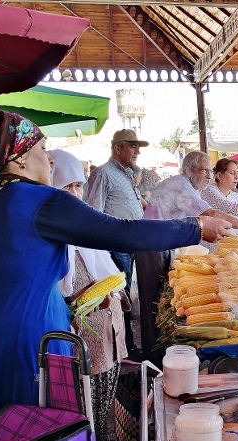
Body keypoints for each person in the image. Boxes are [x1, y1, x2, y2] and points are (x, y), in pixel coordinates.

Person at [0, 110, 231, 430]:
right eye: (41, 148)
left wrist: (68, 306)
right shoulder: (42, 200)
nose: (50, 160)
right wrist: (195, 227)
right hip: (20, 347)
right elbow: (122, 232)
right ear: (19, 158)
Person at [136, 151, 238, 366]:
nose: (209, 175)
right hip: (152, 245)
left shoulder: (185, 185)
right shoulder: (181, 187)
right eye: (205, 170)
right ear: (189, 170)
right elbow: (211, 215)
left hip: (159, 243)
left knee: (157, 302)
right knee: (155, 304)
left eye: (210, 170)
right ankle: (155, 363)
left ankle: (158, 359)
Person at [50, 149, 127, 441]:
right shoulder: (54, 239)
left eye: (79, 187)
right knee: (85, 412)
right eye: (68, 188)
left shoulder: (86, 232)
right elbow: (58, 299)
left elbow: (107, 272)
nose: (76, 195)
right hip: (82, 345)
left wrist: (117, 294)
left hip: (107, 338)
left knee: (105, 408)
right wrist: (81, 304)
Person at [86, 129, 148, 359]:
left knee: (129, 298)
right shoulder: (103, 173)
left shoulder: (127, 173)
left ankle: (129, 345)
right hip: (115, 247)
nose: (137, 151)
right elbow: (93, 213)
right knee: (118, 298)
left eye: (138, 147)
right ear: (118, 148)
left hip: (132, 245)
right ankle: (125, 349)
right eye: (133, 146)